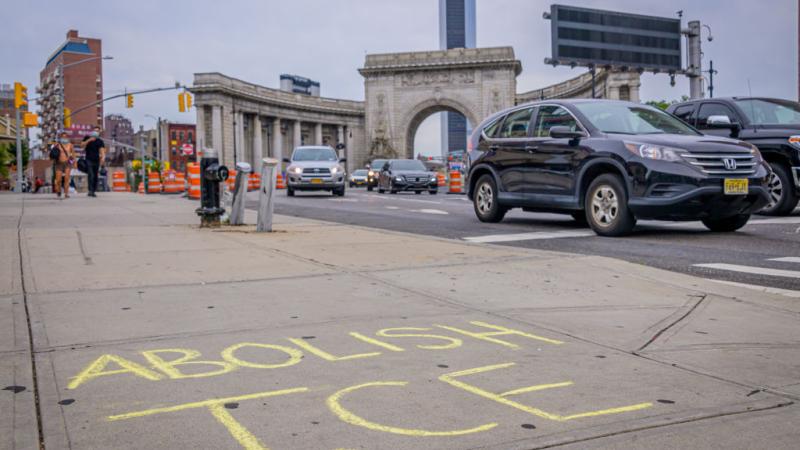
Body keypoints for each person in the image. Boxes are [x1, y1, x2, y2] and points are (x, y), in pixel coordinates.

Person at [81, 126, 106, 197]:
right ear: (92, 131)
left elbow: (102, 151)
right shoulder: (87, 138)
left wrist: (103, 158)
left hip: (96, 160)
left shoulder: (100, 141)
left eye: (97, 131)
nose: (96, 132)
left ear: (99, 132)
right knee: (91, 175)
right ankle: (90, 190)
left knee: (95, 176)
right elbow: (82, 145)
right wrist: (89, 140)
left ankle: (93, 190)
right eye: (95, 131)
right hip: (88, 159)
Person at [54, 132, 75, 199]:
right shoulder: (57, 145)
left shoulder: (70, 145)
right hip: (59, 163)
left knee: (67, 179)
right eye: (63, 137)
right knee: (58, 180)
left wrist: (75, 163)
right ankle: (59, 191)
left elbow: (73, 154)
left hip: (67, 163)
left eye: (65, 137)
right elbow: (53, 153)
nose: (64, 138)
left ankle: (66, 193)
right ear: (61, 138)